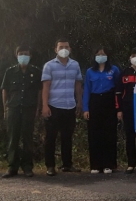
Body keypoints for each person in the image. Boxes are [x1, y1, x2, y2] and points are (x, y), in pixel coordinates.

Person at [41, 38, 83, 176]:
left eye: (66, 46)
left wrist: (79, 102)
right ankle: (50, 166)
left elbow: (78, 85)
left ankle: (67, 164)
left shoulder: (75, 65)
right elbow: (45, 87)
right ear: (56, 49)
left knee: (67, 137)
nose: (64, 49)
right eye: (61, 47)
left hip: (69, 106)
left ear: (70, 49)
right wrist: (44, 105)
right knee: (51, 138)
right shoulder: (49, 66)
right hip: (53, 106)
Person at [0, 45, 42, 178]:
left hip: (29, 108)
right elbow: (4, 90)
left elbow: (39, 91)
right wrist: (5, 109)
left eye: (26, 54)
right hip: (13, 108)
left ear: (30, 56)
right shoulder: (10, 71)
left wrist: (38, 108)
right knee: (13, 138)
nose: (23, 56)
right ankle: (12, 167)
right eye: (21, 53)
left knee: (28, 138)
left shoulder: (35, 72)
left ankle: (27, 167)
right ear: (16, 55)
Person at [82, 47, 121, 174]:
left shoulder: (114, 70)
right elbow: (86, 90)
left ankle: (108, 164)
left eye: (103, 54)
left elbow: (118, 90)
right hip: (95, 102)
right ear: (94, 56)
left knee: (109, 133)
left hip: (109, 102)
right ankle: (95, 165)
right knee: (94, 134)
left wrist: (118, 108)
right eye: (98, 54)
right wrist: (85, 108)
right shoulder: (89, 72)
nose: (101, 56)